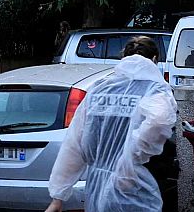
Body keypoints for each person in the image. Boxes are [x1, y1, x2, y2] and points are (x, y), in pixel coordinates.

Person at [45, 36, 177, 212]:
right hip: (134, 187)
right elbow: (159, 121)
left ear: (123, 57)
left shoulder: (100, 89)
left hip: (97, 189)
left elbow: (74, 143)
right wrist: (129, 164)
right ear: (154, 59)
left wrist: (58, 196)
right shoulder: (155, 89)